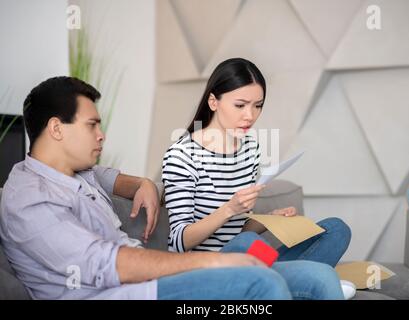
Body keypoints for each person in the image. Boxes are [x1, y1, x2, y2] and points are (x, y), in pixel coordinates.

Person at [1, 76, 310, 300]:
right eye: (92, 125)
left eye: (257, 106)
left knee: (320, 256)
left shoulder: (82, 173)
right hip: (123, 293)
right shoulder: (29, 198)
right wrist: (214, 260)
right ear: (56, 128)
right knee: (260, 282)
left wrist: (145, 183)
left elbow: (118, 180)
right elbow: (105, 263)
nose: (101, 135)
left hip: (147, 284)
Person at [162, 58, 352, 298]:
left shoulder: (249, 149)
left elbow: (239, 227)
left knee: (336, 230)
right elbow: (179, 242)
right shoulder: (182, 155)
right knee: (247, 244)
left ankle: (285, 286)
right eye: (240, 105)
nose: (249, 116)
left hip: (249, 261)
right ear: (213, 102)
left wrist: (270, 220)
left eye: (257, 106)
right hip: (210, 270)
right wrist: (229, 209)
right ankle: (306, 284)